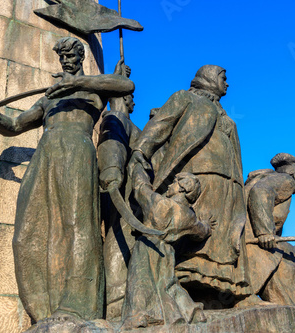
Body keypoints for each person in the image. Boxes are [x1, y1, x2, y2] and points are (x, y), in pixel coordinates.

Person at [0, 37, 134, 322]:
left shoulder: (93, 89)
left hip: (76, 151)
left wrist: (80, 84)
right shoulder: (50, 96)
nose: (66, 62)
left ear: (81, 58)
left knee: (78, 225)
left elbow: (126, 86)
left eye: (71, 57)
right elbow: (15, 125)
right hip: (45, 155)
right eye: (62, 58)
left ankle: (79, 307)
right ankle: (42, 310)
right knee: (26, 233)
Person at [128, 65, 251, 302]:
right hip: (198, 176)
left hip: (228, 183)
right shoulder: (185, 98)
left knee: (225, 238)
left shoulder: (224, 113)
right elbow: (159, 125)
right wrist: (141, 151)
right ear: (210, 78)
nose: (227, 84)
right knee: (198, 241)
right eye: (224, 78)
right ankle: (188, 288)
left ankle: (224, 291)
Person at [121, 169, 211, 329]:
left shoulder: (159, 202)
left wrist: (137, 168)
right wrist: (207, 226)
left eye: (174, 182)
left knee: (140, 280)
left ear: (183, 188)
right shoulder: (188, 216)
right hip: (167, 252)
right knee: (168, 284)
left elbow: (141, 188)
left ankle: (139, 315)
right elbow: (201, 232)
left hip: (147, 246)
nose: (170, 185)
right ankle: (191, 312)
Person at [97, 62, 144, 320]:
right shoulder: (117, 118)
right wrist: (112, 171)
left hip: (133, 199)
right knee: (119, 245)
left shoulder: (126, 120)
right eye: (130, 96)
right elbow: (111, 143)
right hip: (122, 196)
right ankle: (115, 309)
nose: (134, 101)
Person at [244, 153, 295, 306]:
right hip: (251, 241)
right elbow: (261, 192)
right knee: (290, 258)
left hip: (250, 237)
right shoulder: (286, 180)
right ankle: (291, 310)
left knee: (291, 252)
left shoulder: (264, 179)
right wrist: (264, 232)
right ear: (294, 174)